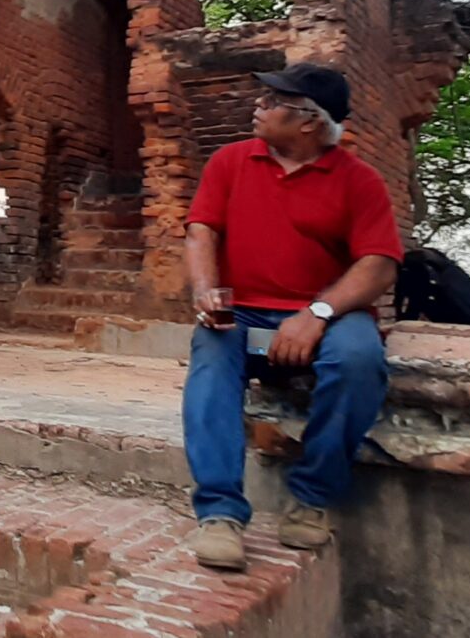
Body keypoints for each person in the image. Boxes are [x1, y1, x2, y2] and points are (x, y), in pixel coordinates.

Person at [180, 62, 400, 572]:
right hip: (247, 319)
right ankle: (219, 512)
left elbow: (379, 264)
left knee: (359, 360)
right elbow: (201, 231)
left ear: (308, 122)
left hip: (325, 319)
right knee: (211, 360)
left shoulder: (359, 181)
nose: (256, 108)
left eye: (270, 102)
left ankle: (311, 497)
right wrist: (206, 289)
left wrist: (316, 313)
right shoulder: (231, 161)